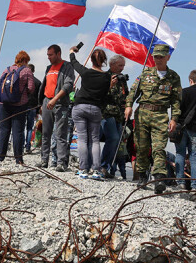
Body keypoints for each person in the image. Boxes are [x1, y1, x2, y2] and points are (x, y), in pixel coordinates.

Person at [124, 44, 182, 194]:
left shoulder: (173, 77)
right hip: (143, 112)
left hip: (160, 115)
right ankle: (142, 176)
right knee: (141, 147)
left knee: (158, 148)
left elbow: (176, 100)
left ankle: (159, 179)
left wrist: (174, 118)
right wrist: (129, 105)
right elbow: (133, 92)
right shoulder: (145, 73)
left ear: (168, 57)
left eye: (161, 56)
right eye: (156, 56)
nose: (158, 59)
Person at [69, 47, 111, 180]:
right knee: (95, 140)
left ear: (91, 60)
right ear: (104, 60)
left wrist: (71, 52)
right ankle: (96, 170)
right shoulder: (106, 77)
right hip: (95, 109)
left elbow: (74, 63)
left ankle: (83, 169)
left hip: (80, 106)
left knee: (82, 138)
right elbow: (105, 96)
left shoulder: (85, 72)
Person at [37, 44, 75, 171]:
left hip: (60, 104)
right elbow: (45, 85)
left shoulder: (67, 66)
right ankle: (44, 161)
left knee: (60, 134)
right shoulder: (48, 68)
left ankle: (61, 163)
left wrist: (55, 99)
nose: (48, 57)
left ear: (58, 54)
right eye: (47, 55)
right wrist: (42, 102)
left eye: (51, 55)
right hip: (46, 102)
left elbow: (68, 85)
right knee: (46, 133)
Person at [0, 51, 34, 164]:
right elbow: (31, 87)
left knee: (4, 130)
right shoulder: (27, 70)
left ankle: (0, 157)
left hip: (4, 104)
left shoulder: (7, 69)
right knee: (17, 131)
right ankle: (18, 159)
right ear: (25, 60)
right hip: (19, 105)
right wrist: (23, 94)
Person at [100, 55, 128, 178]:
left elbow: (125, 95)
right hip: (107, 113)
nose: (122, 68)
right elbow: (100, 94)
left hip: (119, 115)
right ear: (112, 65)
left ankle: (107, 167)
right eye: (120, 65)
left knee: (116, 142)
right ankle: (102, 166)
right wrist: (109, 85)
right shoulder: (104, 77)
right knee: (113, 138)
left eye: (123, 66)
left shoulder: (122, 80)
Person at [24, 64, 41, 154]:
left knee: (21, 127)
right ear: (34, 71)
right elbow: (39, 98)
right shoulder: (38, 82)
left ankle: (20, 146)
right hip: (33, 107)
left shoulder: (23, 81)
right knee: (29, 128)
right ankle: (27, 147)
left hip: (23, 107)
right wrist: (38, 111)